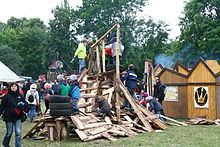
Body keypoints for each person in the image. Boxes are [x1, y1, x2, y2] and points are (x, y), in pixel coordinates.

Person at [0, 83, 27, 147]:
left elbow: (25, 105)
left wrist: (23, 108)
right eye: (12, 86)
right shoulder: (6, 96)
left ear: (17, 87)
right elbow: (2, 106)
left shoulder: (21, 96)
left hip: (18, 116)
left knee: (18, 132)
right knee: (9, 132)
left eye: (15, 86)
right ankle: (5, 143)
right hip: (8, 116)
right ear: (10, 87)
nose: (13, 87)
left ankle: (18, 145)